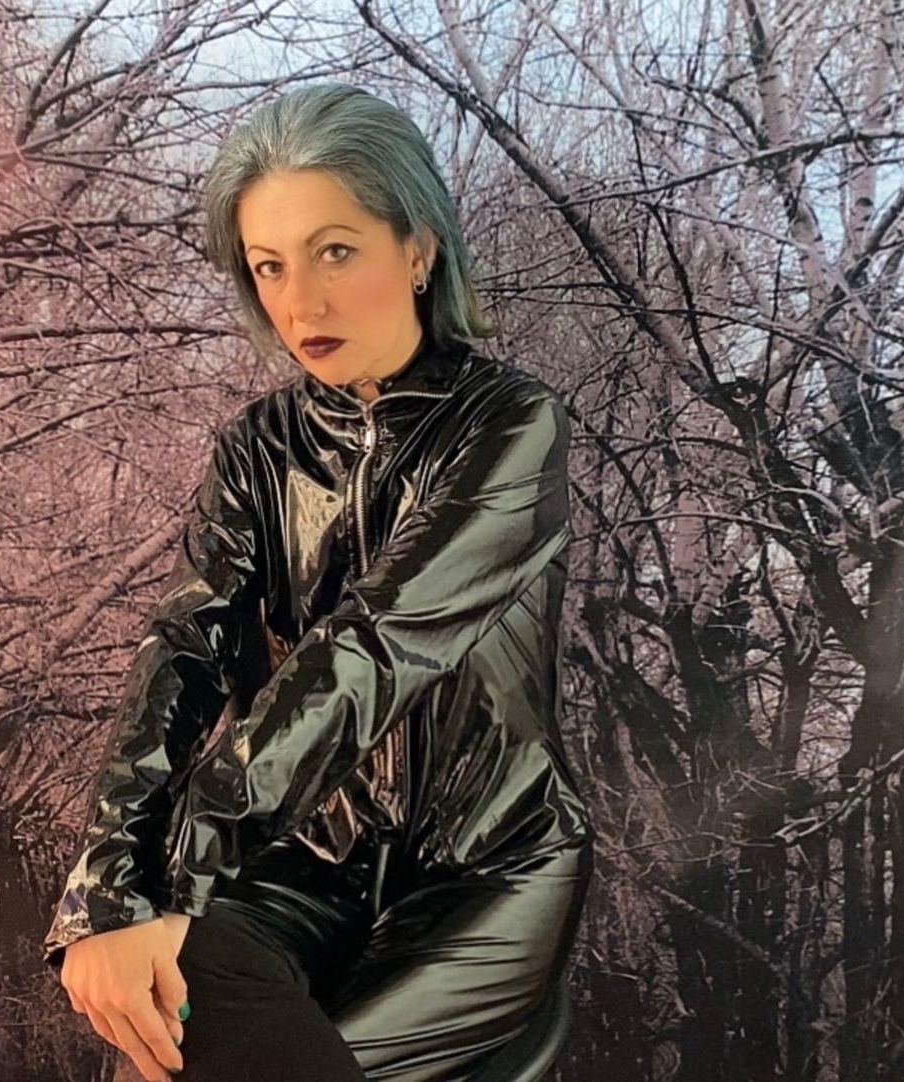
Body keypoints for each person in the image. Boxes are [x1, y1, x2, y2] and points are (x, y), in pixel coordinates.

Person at [40, 82, 594, 1082]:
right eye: (270, 266)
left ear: (418, 249)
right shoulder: (258, 449)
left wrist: (184, 862)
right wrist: (109, 891)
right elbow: (187, 648)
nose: (302, 301)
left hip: (483, 870)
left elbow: (377, 645)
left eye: (334, 251)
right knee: (164, 1019)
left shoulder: (512, 425)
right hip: (307, 861)